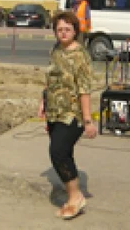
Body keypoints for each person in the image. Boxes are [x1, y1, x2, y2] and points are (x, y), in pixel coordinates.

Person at [38, 11, 97, 220]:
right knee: (64, 153)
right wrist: (43, 103)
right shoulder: (55, 50)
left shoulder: (80, 55)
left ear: (75, 31)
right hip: (54, 112)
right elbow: (50, 80)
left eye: (67, 29)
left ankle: (76, 196)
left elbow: (84, 89)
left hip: (73, 114)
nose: (63, 33)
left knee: (58, 152)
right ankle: (72, 194)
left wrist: (88, 120)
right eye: (59, 30)